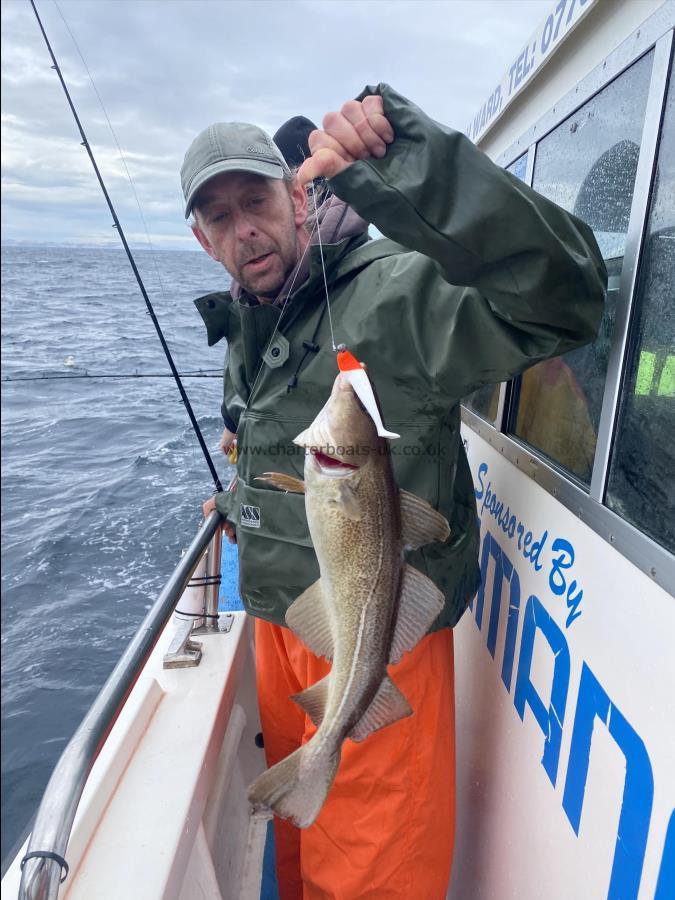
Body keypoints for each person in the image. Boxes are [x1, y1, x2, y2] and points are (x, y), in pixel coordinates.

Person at [183, 85, 606, 899]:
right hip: (281, 623)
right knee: (303, 861)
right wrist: (245, 506)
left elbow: (562, 298)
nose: (244, 229)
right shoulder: (257, 314)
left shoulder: (390, 297)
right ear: (201, 241)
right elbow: (277, 440)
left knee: (374, 877)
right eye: (219, 217)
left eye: (256, 200)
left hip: (374, 642)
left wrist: (403, 163)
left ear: (300, 196)